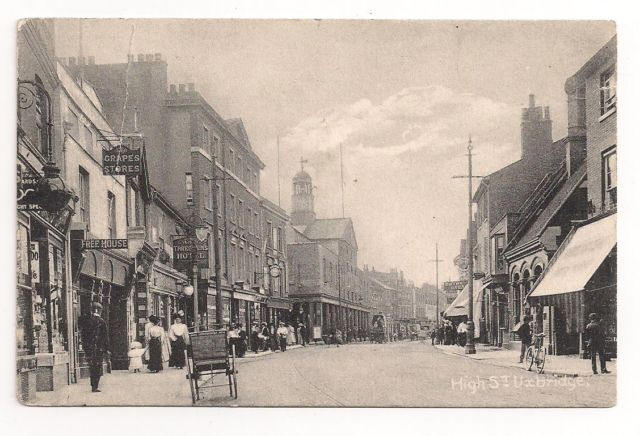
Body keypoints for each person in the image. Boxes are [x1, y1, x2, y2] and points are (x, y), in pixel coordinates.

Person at [83, 302, 109, 393]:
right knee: (97, 367)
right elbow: (105, 337)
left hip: (89, 349)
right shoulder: (102, 322)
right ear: (99, 310)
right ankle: (95, 386)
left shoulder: (87, 321)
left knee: (91, 366)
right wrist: (106, 349)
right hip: (99, 350)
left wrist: (85, 348)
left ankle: (93, 384)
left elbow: (84, 336)